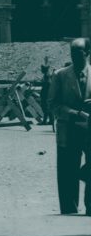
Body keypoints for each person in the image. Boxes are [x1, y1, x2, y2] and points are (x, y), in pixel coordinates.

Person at [48, 39, 91, 215]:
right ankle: (68, 208)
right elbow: (52, 104)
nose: (75, 58)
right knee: (67, 169)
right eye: (72, 54)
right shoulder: (60, 75)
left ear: (88, 53)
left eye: (79, 54)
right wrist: (74, 113)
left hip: (90, 129)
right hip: (68, 128)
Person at [40, 61, 54, 127]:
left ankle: (45, 121)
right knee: (47, 107)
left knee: (45, 107)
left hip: (45, 94)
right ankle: (50, 120)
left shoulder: (46, 76)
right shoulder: (47, 75)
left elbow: (47, 84)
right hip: (47, 94)